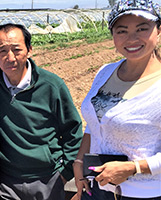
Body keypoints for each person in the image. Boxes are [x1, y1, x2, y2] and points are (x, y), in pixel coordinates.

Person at [0, 23, 83, 200]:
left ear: (29, 50)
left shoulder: (51, 85)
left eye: (17, 50)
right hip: (6, 180)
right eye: (3, 51)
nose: (10, 57)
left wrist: (64, 174)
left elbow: (73, 132)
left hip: (48, 178)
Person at [73, 0, 161, 199]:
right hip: (97, 188)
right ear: (113, 35)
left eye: (142, 29)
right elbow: (95, 121)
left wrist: (133, 168)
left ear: (159, 30)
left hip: (144, 194)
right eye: (122, 31)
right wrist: (79, 162)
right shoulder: (106, 72)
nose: (132, 38)